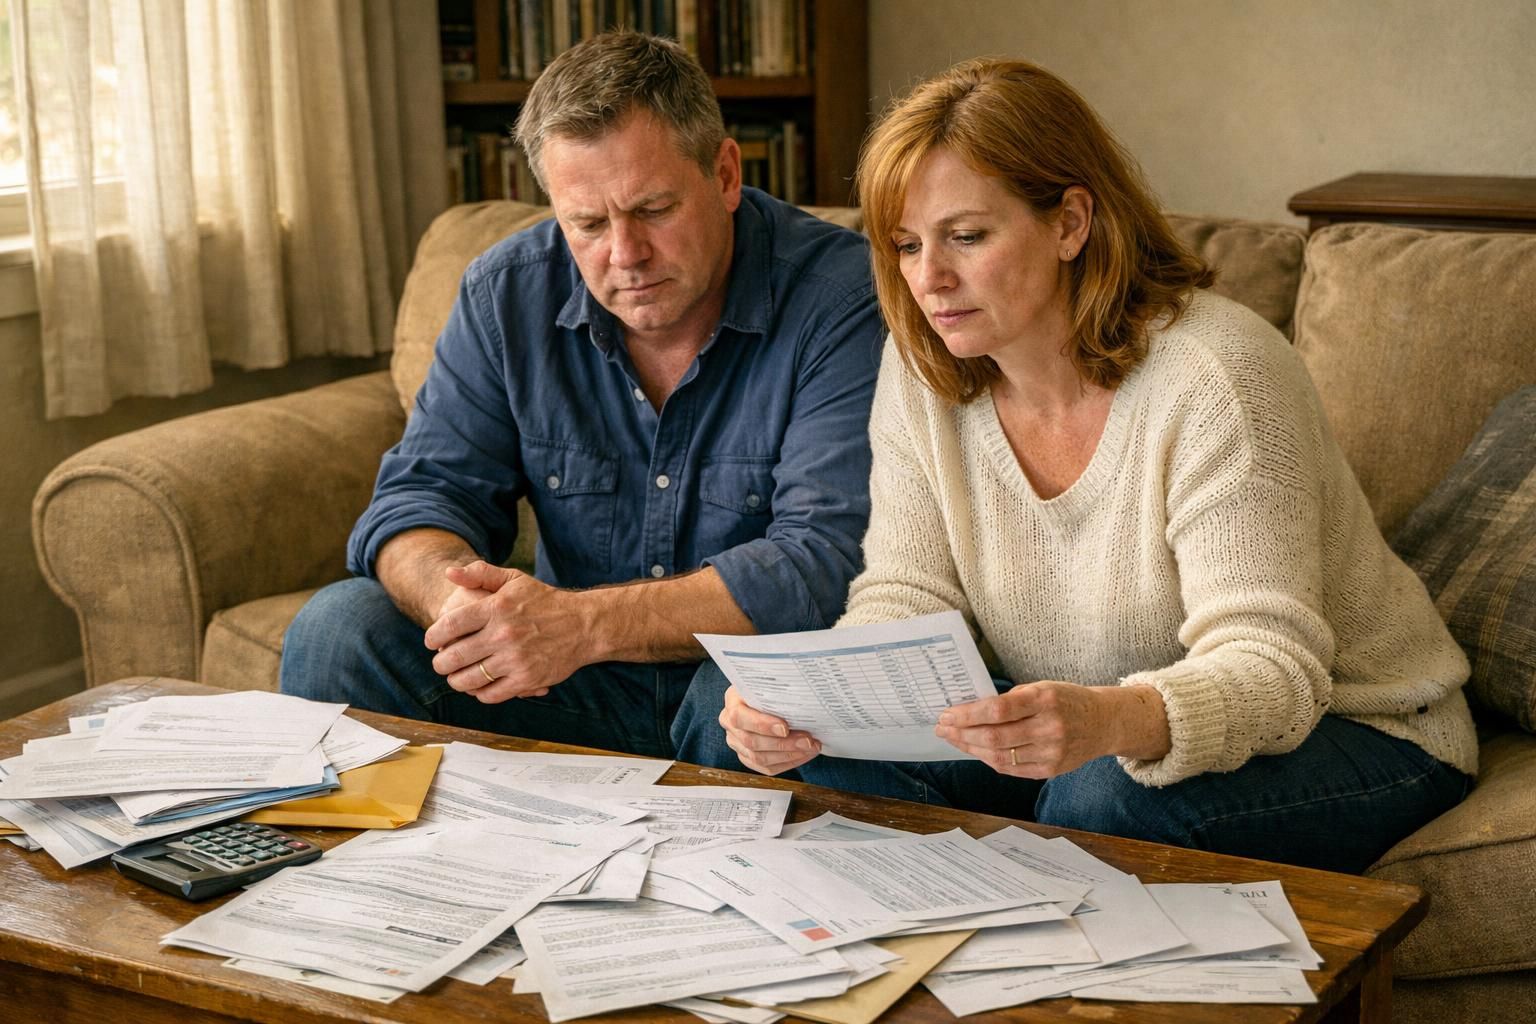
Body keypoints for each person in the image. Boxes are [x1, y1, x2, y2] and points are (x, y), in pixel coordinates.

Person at [672, 58, 1478, 873]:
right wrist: (826, 708)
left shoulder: (1219, 375)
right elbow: (907, 593)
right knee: (726, 710)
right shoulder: (924, 371)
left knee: (1100, 802)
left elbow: (1273, 671)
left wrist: (1111, 722)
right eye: (907, 245)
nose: (929, 279)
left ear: (1069, 223)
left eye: (967, 236)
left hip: (1355, 726)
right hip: (1081, 740)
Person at [279, 32, 882, 759]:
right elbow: (421, 496)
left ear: (725, 174)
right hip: (564, 686)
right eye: (588, 224)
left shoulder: (843, 297)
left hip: (734, 689)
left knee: (756, 700)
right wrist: (455, 600)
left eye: (654, 209)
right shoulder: (507, 292)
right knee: (340, 629)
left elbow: (825, 559)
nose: (625, 255)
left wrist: (580, 625)